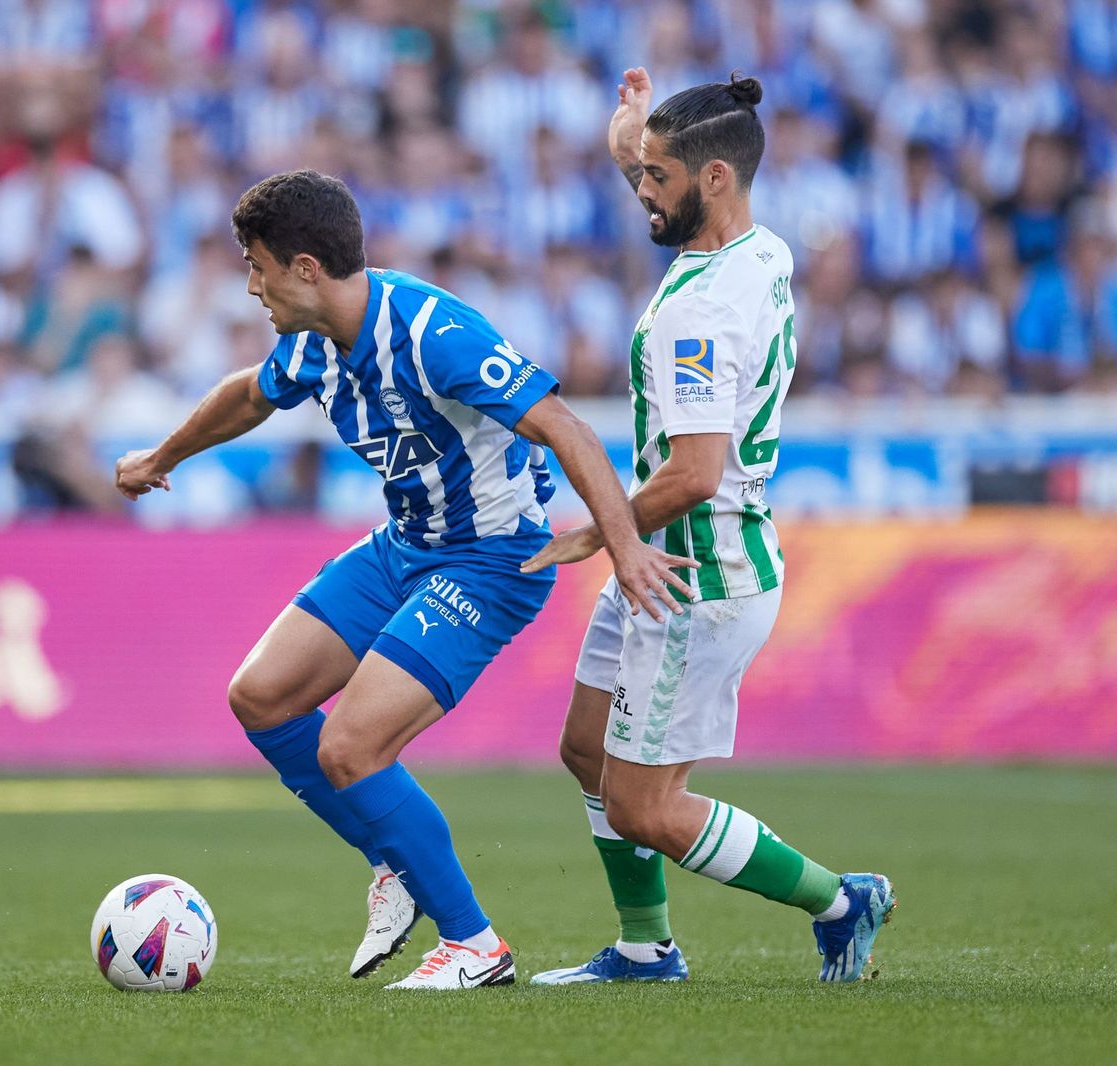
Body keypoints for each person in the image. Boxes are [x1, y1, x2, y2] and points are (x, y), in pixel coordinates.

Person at [114, 170, 692, 990]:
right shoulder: (314, 339)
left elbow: (562, 423)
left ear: (306, 268)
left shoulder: (432, 333)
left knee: (351, 745)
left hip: (492, 560)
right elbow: (250, 396)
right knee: (262, 695)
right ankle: (396, 864)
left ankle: (474, 946)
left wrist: (623, 545)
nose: (251, 285)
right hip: (407, 543)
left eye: (258, 266)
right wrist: (161, 457)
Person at [526, 70, 895, 988]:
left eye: (654, 177)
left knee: (646, 807)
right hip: (664, 566)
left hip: (695, 578)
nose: (640, 192)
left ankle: (841, 899)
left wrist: (598, 530)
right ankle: (646, 950)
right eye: (641, 171)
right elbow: (672, 184)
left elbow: (694, 472)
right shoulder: (762, 249)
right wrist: (628, 134)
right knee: (585, 752)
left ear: (715, 177)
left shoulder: (697, 309)